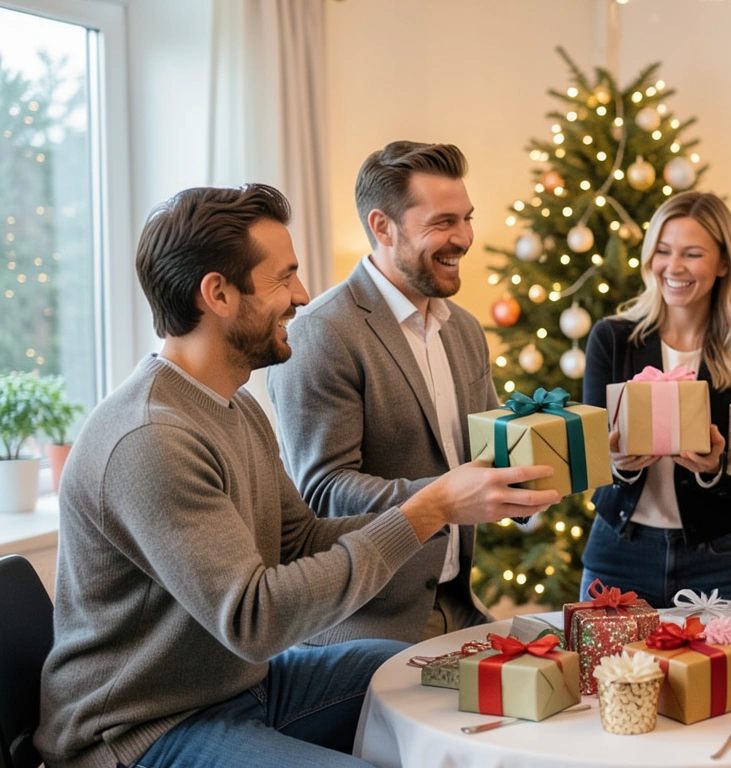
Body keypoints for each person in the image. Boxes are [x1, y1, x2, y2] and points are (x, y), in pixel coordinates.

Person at [35, 185, 558, 768]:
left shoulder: (235, 405)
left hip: (240, 687)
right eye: (284, 279)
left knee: (422, 673)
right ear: (219, 294)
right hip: (142, 728)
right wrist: (426, 510)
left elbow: (297, 541)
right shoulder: (152, 439)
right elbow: (255, 619)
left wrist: (440, 510)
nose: (303, 296)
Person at [269, 141, 498, 642]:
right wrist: (441, 499)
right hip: (366, 628)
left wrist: (584, 451)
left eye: (466, 218)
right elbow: (324, 493)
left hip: (459, 609)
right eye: (442, 222)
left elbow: (492, 449)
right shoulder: (321, 334)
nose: (463, 237)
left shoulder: (464, 329)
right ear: (382, 226)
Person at [580, 190, 731, 608]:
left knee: (728, 673)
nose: (674, 267)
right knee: (605, 674)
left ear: (724, 263)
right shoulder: (612, 339)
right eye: (664, 251)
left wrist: (715, 468)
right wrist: (619, 465)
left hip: (718, 558)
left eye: (692, 254)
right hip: (619, 551)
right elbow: (593, 455)